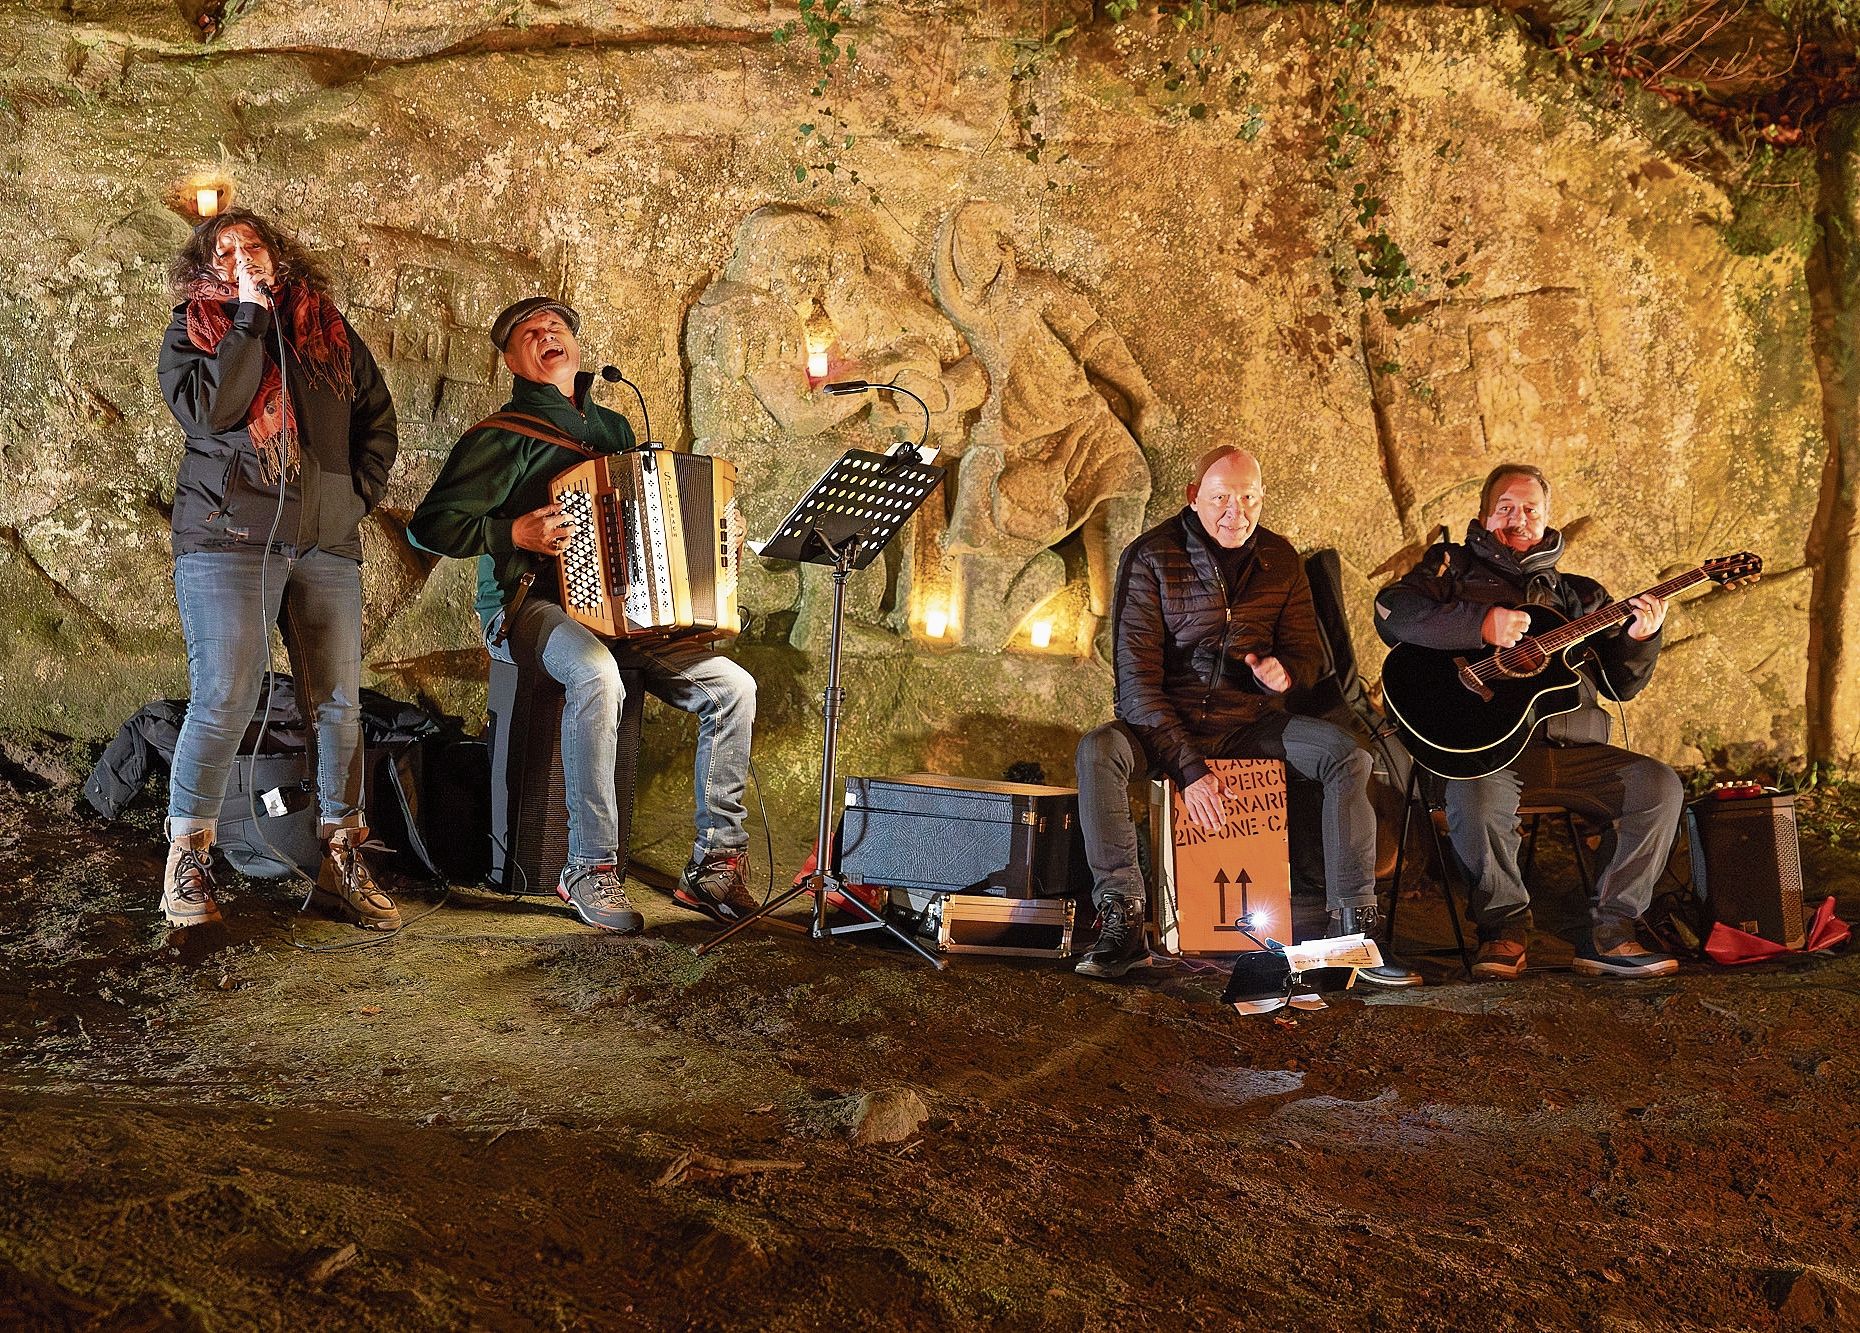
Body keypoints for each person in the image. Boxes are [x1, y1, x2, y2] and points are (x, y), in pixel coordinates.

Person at [409, 296, 757, 936]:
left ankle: (715, 865)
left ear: (575, 344)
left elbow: (652, 521)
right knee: (597, 675)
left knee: (734, 687)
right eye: (530, 331)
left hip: (624, 613)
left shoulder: (616, 430)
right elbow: (429, 528)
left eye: (557, 327)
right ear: (510, 359)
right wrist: (513, 532)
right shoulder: (501, 436)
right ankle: (588, 866)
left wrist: (718, 534)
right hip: (527, 606)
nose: (548, 335)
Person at [1072, 446, 1415, 991]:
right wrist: (1189, 769)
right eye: (1221, 499)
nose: (1237, 513)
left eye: (1249, 498)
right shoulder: (1152, 557)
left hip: (1248, 723)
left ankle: (1354, 930)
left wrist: (1285, 673)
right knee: (1099, 751)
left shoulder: (1280, 558)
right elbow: (1135, 687)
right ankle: (1123, 919)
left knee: (1348, 756)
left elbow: (1308, 655)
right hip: (1166, 726)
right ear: (1194, 497)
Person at [155, 208, 400, 930]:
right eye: (224, 250)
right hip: (228, 538)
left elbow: (377, 419)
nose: (241, 256)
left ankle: (341, 857)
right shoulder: (195, 330)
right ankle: (187, 858)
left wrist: (352, 499)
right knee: (225, 696)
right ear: (206, 267)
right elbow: (212, 411)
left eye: (252, 245)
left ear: (277, 255)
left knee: (339, 704)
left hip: (326, 543)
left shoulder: (327, 328)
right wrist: (249, 320)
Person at [1374, 463, 1682, 979]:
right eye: (1506, 509)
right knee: (1474, 798)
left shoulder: (1582, 597)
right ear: (1483, 516)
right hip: (1489, 755)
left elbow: (1620, 686)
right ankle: (1504, 930)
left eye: (1530, 510)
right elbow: (1393, 612)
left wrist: (1640, 640)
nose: (1518, 519)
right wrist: (1479, 624)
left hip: (1575, 751)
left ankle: (1610, 931)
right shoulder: (1450, 570)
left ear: (1547, 518)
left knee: (1658, 787)